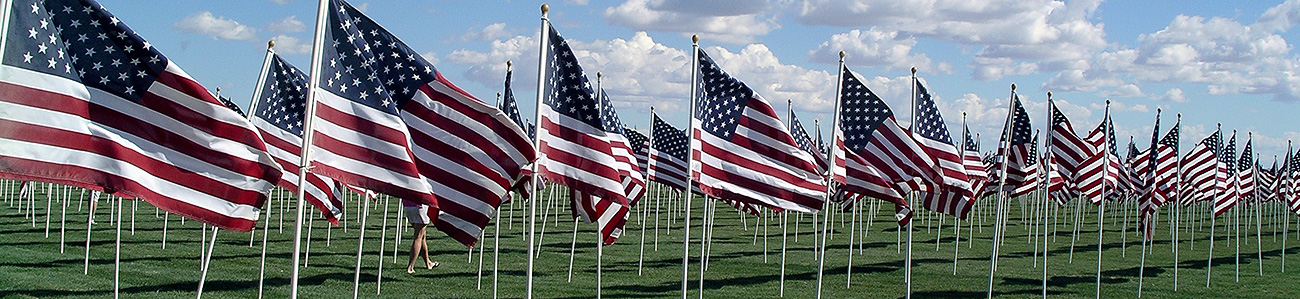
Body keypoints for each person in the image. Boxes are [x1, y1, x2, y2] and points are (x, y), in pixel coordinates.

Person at [404, 198, 438, 273]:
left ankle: (428, 262)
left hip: (408, 206)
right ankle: (410, 267)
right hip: (420, 207)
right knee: (418, 237)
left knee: (422, 237)